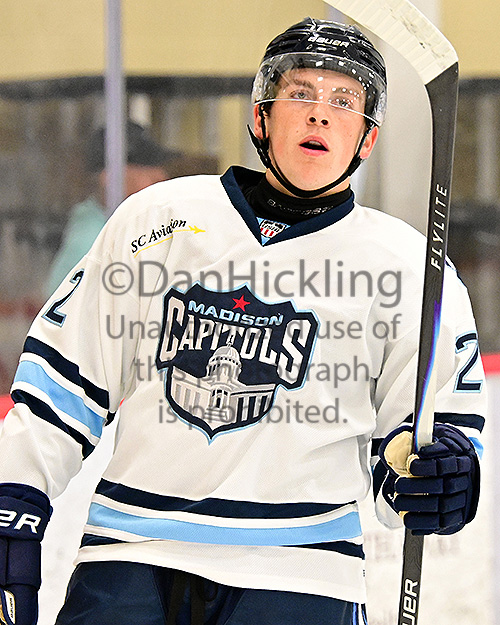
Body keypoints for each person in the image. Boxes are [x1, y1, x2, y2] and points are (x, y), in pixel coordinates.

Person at [0, 18, 486, 625]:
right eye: (301, 93)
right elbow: (61, 388)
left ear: (366, 139)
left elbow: (430, 433)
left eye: (343, 101)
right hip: (130, 557)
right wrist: (13, 512)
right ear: (261, 116)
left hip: (303, 576)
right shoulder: (158, 220)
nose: (319, 114)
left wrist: (437, 477)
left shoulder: (409, 267)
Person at [45, 120, 176, 296]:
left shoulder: (117, 224)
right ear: (109, 177)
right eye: (145, 167)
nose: (161, 176)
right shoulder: (92, 240)